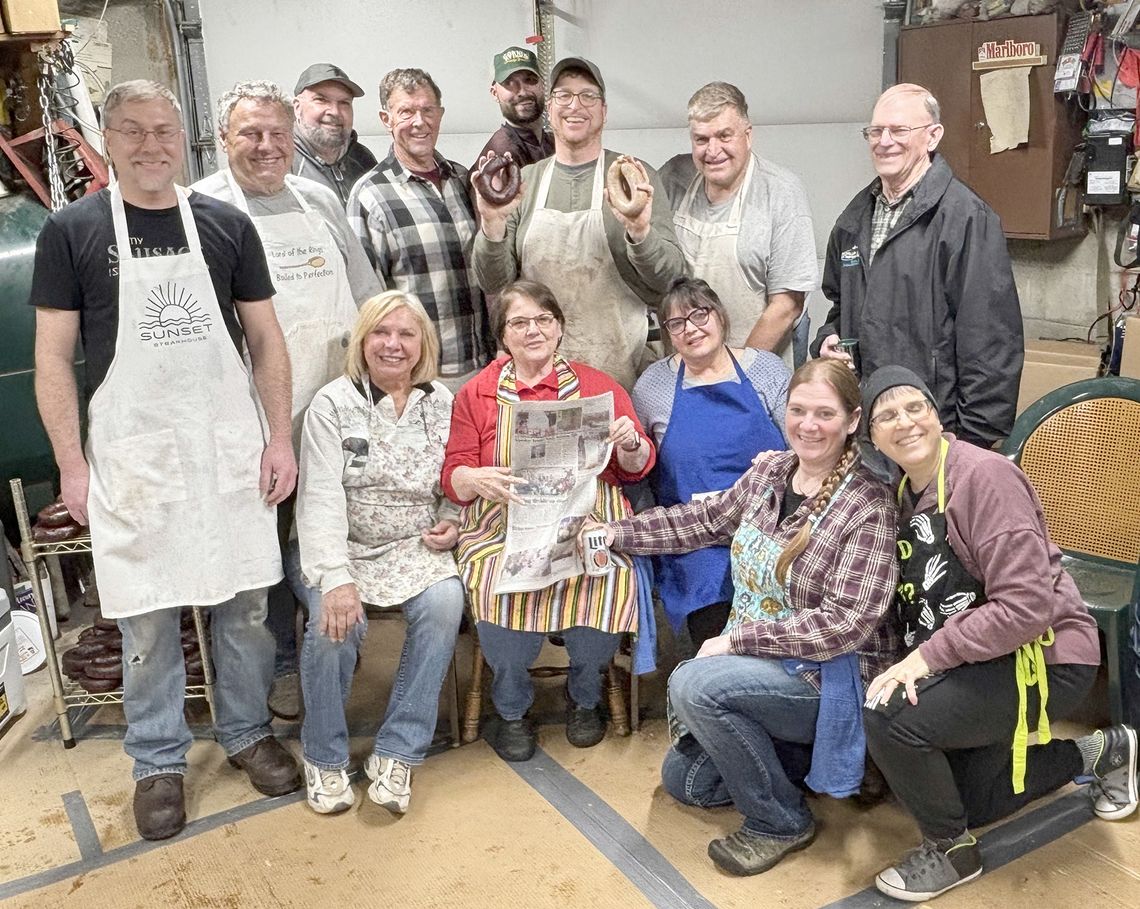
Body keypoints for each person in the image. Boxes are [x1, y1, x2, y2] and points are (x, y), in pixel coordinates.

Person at [30, 80, 300, 841]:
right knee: (147, 620)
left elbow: (267, 340)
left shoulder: (224, 225)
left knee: (246, 608)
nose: (150, 145)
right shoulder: (71, 231)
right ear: (108, 141)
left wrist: (278, 436)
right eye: (132, 131)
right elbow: (52, 358)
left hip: (225, 448)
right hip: (135, 455)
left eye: (163, 131)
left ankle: (246, 731)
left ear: (184, 141)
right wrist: (72, 466)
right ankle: (157, 759)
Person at [593, 358, 897, 876]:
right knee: (686, 782)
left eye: (825, 413)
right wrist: (615, 533)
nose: (808, 424)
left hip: (828, 677)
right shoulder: (770, 473)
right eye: (798, 410)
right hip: (766, 664)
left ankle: (779, 821)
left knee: (695, 685)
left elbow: (844, 625)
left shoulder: (867, 503)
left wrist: (740, 642)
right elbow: (705, 520)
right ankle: (795, 760)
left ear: (852, 421)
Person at [860, 365, 1137, 902]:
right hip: (975, 659)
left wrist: (925, 660)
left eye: (915, 406)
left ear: (936, 415)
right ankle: (1104, 751)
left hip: (1047, 657)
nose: (905, 422)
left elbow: (1027, 607)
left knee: (887, 718)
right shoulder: (903, 493)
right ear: (872, 437)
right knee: (975, 798)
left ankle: (949, 851)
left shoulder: (983, 477)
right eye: (886, 415)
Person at [193, 79, 383, 722]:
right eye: (251, 133)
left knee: (332, 527)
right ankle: (277, 666)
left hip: (331, 405)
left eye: (277, 133)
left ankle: (332, 646)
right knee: (265, 548)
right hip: (249, 415)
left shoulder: (319, 199)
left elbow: (365, 296)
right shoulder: (200, 210)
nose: (267, 146)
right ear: (224, 140)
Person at [441, 280, 654, 761]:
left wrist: (629, 441)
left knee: (607, 570)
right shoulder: (476, 394)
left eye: (544, 319)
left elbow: (637, 467)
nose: (533, 330)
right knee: (495, 575)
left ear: (559, 328)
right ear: (503, 335)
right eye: (519, 322)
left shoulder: (598, 386)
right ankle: (511, 707)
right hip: (503, 518)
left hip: (585, 512)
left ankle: (585, 694)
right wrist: (473, 476)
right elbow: (452, 478)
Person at [295, 290, 463, 816]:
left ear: (423, 345)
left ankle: (397, 753)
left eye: (406, 334)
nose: (393, 345)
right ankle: (323, 755)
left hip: (414, 545)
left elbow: (452, 482)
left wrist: (452, 523)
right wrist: (335, 578)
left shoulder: (442, 402)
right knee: (334, 624)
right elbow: (319, 496)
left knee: (444, 604)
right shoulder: (333, 404)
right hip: (338, 547)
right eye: (381, 333)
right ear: (363, 341)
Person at [812, 83, 1023, 448]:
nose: (884, 141)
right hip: (870, 424)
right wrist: (826, 339)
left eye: (899, 130)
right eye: (875, 131)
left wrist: (970, 442)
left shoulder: (966, 219)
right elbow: (841, 307)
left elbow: (991, 342)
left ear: (932, 136)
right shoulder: (853, 220)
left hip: (934, 430)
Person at [472, 57, 685, 390]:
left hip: (625, 369)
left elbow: (670, 278)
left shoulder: (634, 176)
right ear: (550, 108)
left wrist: (640, 231)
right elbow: (493, 280)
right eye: (564, 96)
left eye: (588, 96)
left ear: (603, 110)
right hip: (541, 377)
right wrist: (492, 224)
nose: (576, 105)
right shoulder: (528, 182)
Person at [631, 276, 789, 646]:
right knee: (710, 599)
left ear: (719, 316)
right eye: (676, 323)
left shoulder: (766, 370)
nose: (691, 329)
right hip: (694, 537)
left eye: (699, 315)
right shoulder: (652, 386)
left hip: (770, 524)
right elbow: (640, 475)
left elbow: (800, 447)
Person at [349, 67, 490, 390]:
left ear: (440, 114)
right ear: (386, 119)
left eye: (428, 110)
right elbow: (367, 298)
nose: (419, 122)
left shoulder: (462, 180)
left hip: (481, 365)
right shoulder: (371, 195)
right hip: (420, 375)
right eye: (406, 112)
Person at [659, 82, 817, 368]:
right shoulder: (673, 177)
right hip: (682, 366)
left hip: (754, 369)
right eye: (701, 139)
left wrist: (733, 375)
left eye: (724, 136)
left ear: (748, 135)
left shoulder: (780, 192)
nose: (713, 150)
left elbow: (787, 305)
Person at [291, 63, 378, 208]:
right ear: (297, 107)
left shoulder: (362, 158)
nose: (335, 112)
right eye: (321, 100)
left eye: (344, 103)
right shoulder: (281, 161)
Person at [472, 46, 555, 173]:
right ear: (495, 93)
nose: (522, 91)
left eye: (530, 80)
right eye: (509, 82)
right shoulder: (502, 155)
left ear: (542, 85)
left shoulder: (551, 142)